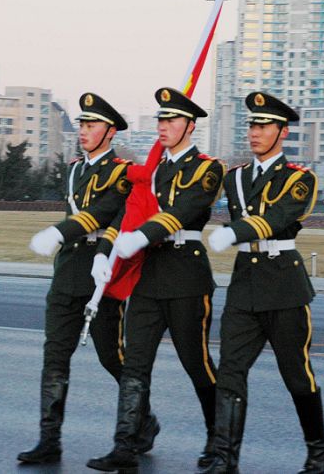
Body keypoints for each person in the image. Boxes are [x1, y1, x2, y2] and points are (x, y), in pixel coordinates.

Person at [87, 87, 225, 472]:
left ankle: (218, 439)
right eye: (161, 120)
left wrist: (141, 237)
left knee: (195, 363)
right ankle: (125, 444)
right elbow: (126, 214)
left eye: (172, 120)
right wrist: (105, 251)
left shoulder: (207, 168)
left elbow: (183, 211)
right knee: (135, 364)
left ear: (190, 126)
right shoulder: (152, 170)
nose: (163, 126)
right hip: (149, 276)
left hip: (186, 276)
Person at [17, 92, 159, 464]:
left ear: (110, 131)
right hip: (68, 271)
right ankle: (49, 439)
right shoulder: (76, 168)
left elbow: (106, 212)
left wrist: (64, 234)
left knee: (112, 357)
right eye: (81, 124)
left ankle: (142, 422)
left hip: (101, 274)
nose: (83, 130)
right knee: (55, 356)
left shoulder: (121, 171)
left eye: (92, 124)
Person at [203, 91, 324, 473]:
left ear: (283, 132)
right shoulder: (235, 178)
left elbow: (280, 217)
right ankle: (225, 459)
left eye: (264, 126)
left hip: (283, 285)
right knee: (230, 371)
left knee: (296, 373)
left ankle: (318, 449)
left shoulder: (299, 179)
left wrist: (234, 231)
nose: (255, 132)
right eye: (252, 125)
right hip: (245, 285)